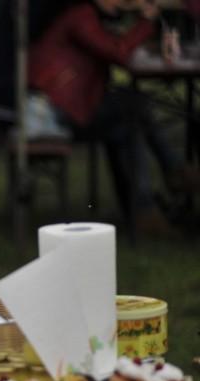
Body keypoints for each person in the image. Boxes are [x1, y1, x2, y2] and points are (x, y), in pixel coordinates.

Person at [27, 0, 200, 233]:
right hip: (56, 115)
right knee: (135, 104)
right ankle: (173, 171)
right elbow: (117, 52)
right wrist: (144, 22)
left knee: (127, 128)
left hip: (70, 107)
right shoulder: (81, 16)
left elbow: (115, 48)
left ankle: (145, 209)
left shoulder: (86, 16)